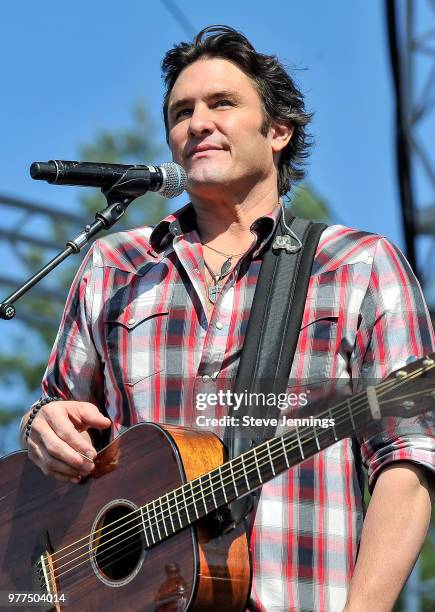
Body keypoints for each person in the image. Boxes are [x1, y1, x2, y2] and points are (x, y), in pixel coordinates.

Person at [19, 25, 435, 612]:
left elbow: (411, 457)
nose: (197, 122)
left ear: (278, 132)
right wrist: (42, 426)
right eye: (181, 112)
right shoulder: (116, 264)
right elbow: (59, 422)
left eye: (223, 103)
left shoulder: (359, 265)